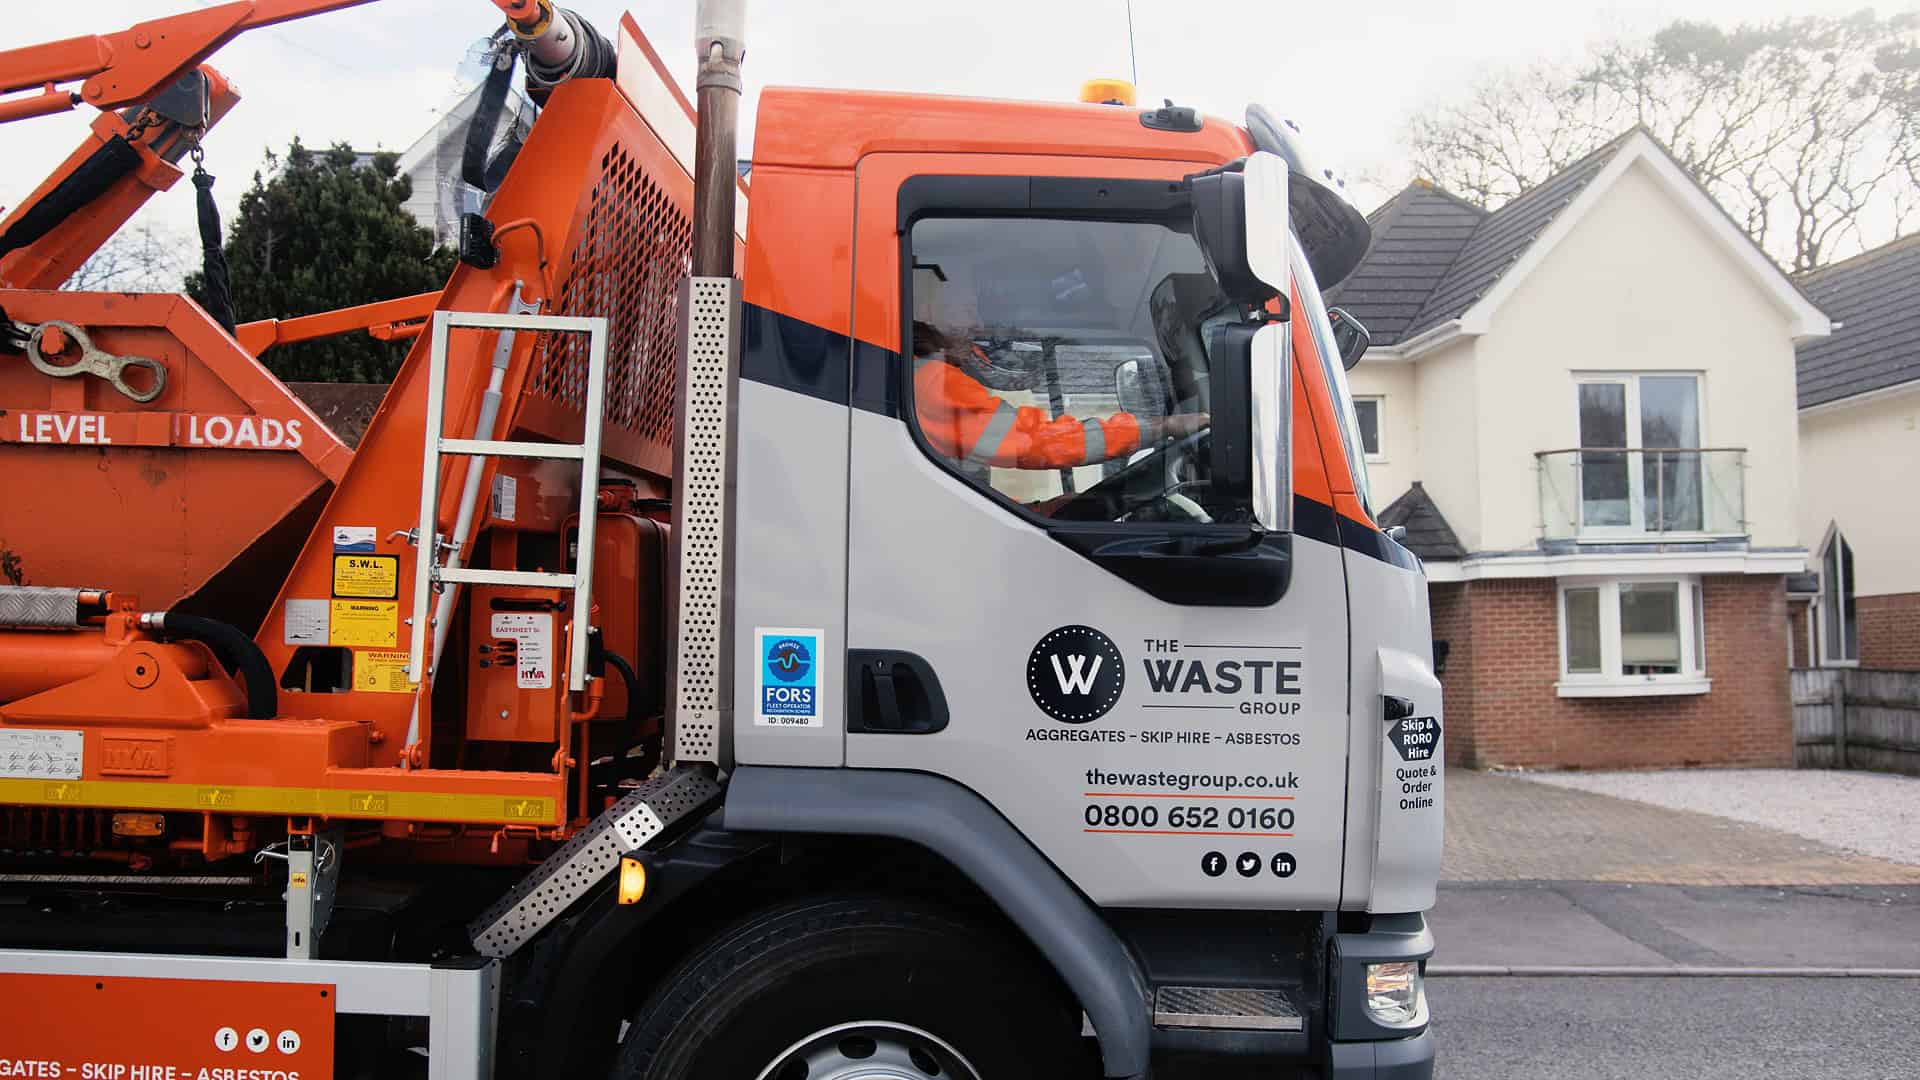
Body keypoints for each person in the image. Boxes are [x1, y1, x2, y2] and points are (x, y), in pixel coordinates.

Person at [911, 321, 1207, 471]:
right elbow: (1033, 442)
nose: (976, 327)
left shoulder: (917, 379)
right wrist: (1161, 427)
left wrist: (1047, 510)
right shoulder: (931, 381)